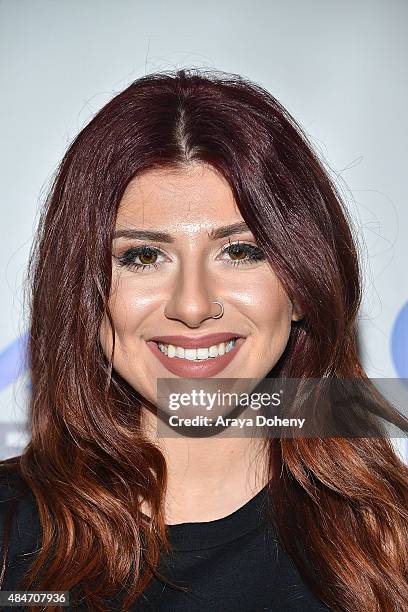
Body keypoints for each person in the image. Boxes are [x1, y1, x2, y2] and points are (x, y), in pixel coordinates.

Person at [0, 68, 407, 612]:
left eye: (240, 252)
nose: (192, 306)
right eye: (143, 256)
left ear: (303, 287)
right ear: (85, 294)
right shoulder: (10, 540)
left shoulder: (392, 543)